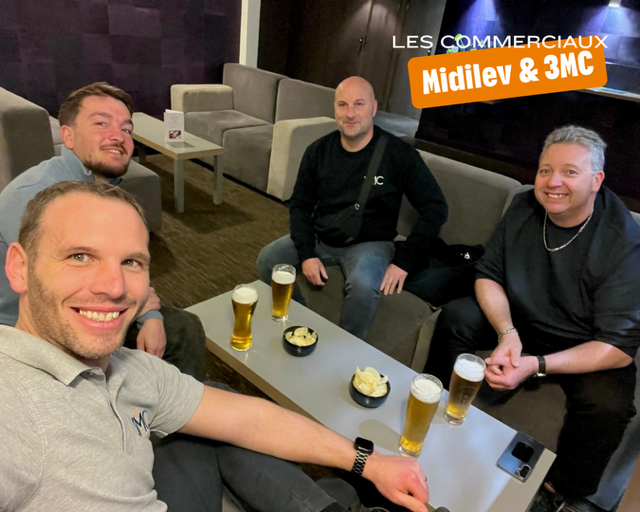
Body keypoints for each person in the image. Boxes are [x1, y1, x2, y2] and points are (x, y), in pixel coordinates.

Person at [0, 181, 430, 512]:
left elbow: (248, 420)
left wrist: (370, 463)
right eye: (79, 256)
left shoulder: (132, 370)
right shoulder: (13, 405)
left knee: (212, 405)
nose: (113, 286)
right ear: (19, 267)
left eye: (131, 262)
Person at [424, 126, 640, 512]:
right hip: (522, 318)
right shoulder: (524, 206)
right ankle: (438, 407)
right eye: (545, 170)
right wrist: (507, 333)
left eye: (570, 172)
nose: (553, 182)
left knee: (609, 404)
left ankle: (561, 492)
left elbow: (617, 347)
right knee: (457, 317)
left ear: (596, 180)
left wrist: (535, 365)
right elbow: (488, 273)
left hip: (584, 339)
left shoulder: (622, 241)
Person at [0, 82, 205, 379]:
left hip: (82, 306)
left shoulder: (99, 191)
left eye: (126, 129)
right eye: (101, 123)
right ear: (68, 136)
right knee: (182, 332)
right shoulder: (37, 197)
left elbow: (117, 268)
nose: (118, 136)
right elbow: (66, 291)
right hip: (33, 333)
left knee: (183, 327)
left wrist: (150, 314)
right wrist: (145, 310)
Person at [257, 77, 447, 340]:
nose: (350, 113)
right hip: (323, 234)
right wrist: (307, 253)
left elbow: (436, 208)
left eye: (359, 104)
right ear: (335, 108)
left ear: (373, 108)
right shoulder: (318, 150)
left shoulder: (399, 155)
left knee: (363, 285)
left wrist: (404, 262)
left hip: (371, 243)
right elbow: (300, 204)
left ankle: (345, 349)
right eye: (343, 104)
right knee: (268, 259)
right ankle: (300, 327)